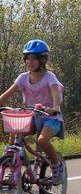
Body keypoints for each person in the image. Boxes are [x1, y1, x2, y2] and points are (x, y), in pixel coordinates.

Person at [0, 40, 65, 184]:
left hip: (50, 118)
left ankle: (56, 166)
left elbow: (55, 94)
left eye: (34, 58)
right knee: (14, 129)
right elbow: (5, 96)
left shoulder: (49, 77)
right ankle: (12, 164)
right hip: (31, 115)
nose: (30, 61)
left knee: (42, 140)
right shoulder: (23, 78)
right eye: (27, 58)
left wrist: (54, 107)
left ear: (42, 60)